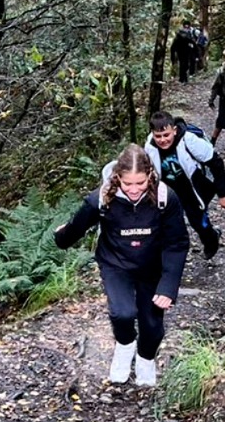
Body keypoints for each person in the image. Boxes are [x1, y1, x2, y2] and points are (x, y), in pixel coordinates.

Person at [53, 144, 189, 387]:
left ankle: (146, 359)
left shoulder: (165, 198)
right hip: (115, 263)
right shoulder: (101, 199)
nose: (134, 190)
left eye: (140, 183)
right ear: (117, 177)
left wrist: (168, 286)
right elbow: (76, 227)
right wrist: (61, 237)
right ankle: (125, 346)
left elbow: (177, 243)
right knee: (122, 313)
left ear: (149, 175)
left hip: (152, 265)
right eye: (128, 184)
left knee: (152, 325)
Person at [145, 112, 225, 260]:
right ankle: (174, 254)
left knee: (198, 221)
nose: (163, 140)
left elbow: (216, 162)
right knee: (169, 222)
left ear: (174, 130)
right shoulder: (149, 146)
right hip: (169, 189)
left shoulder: (189, 140)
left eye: (166, 135)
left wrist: (222, 194)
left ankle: (211, 239)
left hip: (193, 187)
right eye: (158, 136)